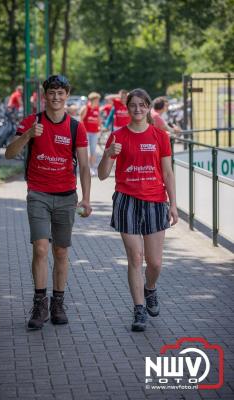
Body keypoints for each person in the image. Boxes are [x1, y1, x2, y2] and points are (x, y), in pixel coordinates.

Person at [5, 74, 92, 330]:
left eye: (61, 93)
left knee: (61, 251)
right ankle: (40, 302)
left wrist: (87, 198)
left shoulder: (77, 127)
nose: (56, 97)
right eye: (52, 93)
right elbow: (10, 153)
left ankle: (58, 303)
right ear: (45, 96)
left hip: (66, 197)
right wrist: (28, 135)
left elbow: (85, 166)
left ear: (67, 95)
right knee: (41, 248)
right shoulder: (32, 122)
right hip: (38, 194)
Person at [98, 88, 178, 332]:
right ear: (127, 107)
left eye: (142, 105)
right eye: (133, 105)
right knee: (135, 257)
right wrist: (108, 154)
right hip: (127, 201)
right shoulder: (117, 136)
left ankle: (150, 288)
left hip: (155, 201)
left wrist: (173, 204)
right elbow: (102, 175)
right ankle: (139, 309)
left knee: (154, 263)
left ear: (147, 107)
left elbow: (167, 172)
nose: (137, 109)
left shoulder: (160, 136)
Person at [80, 92, 102, 176]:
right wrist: (82, 131)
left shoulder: (97, 108)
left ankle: (93, 168)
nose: (98, 102)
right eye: (97, 100)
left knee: (93, 151)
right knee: (88, 151)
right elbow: (81, 120)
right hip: (87, 132)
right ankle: (87, 168)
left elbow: (98, 119)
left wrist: (100, 128)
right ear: (92, 100)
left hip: (94, 132)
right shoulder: (86, 107)